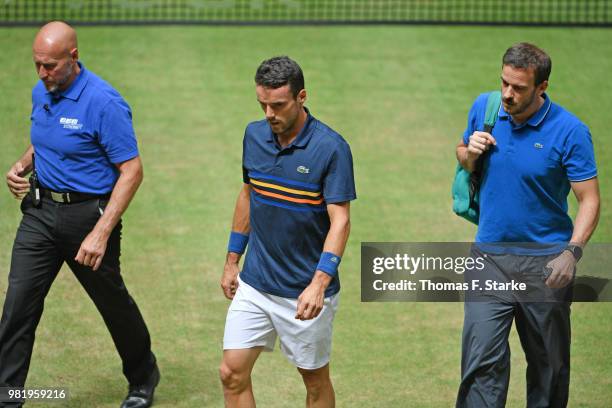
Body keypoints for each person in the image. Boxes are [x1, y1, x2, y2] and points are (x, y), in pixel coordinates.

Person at [0, 21, 159, 408]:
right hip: (40, 213)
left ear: (73, 57)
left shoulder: (104, 103)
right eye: (37, 64)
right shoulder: (43, 90)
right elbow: (46, 139)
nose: (42, 73)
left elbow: (132, 171)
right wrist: (22, 164)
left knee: (112, 304)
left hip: (88, 218)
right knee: (18, 308)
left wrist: (101, 232)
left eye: (50, 65)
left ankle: (143, 378)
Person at [455, 43, 600, 407]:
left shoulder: (570, 132)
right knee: (480, 363)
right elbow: (462, 155)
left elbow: (590, 200)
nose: (507, 94)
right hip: (489, 257)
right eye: (504, 82)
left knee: (548, 367)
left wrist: (573, 251)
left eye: (518, 88)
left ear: (542, 87)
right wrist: (469, 152)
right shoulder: (485, 108)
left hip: (546, 263)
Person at [219, 56, 356, 408]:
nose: (269, 114)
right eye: (262, 104)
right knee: (231, 373)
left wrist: (319, 284)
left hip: (304, 292)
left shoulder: (331, 148)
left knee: (314, 383)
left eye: (277, 105)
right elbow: (249, 194)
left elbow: (340, 220)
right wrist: (232, 260)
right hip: (255, 283)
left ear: (301, 97)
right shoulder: (254, 135)